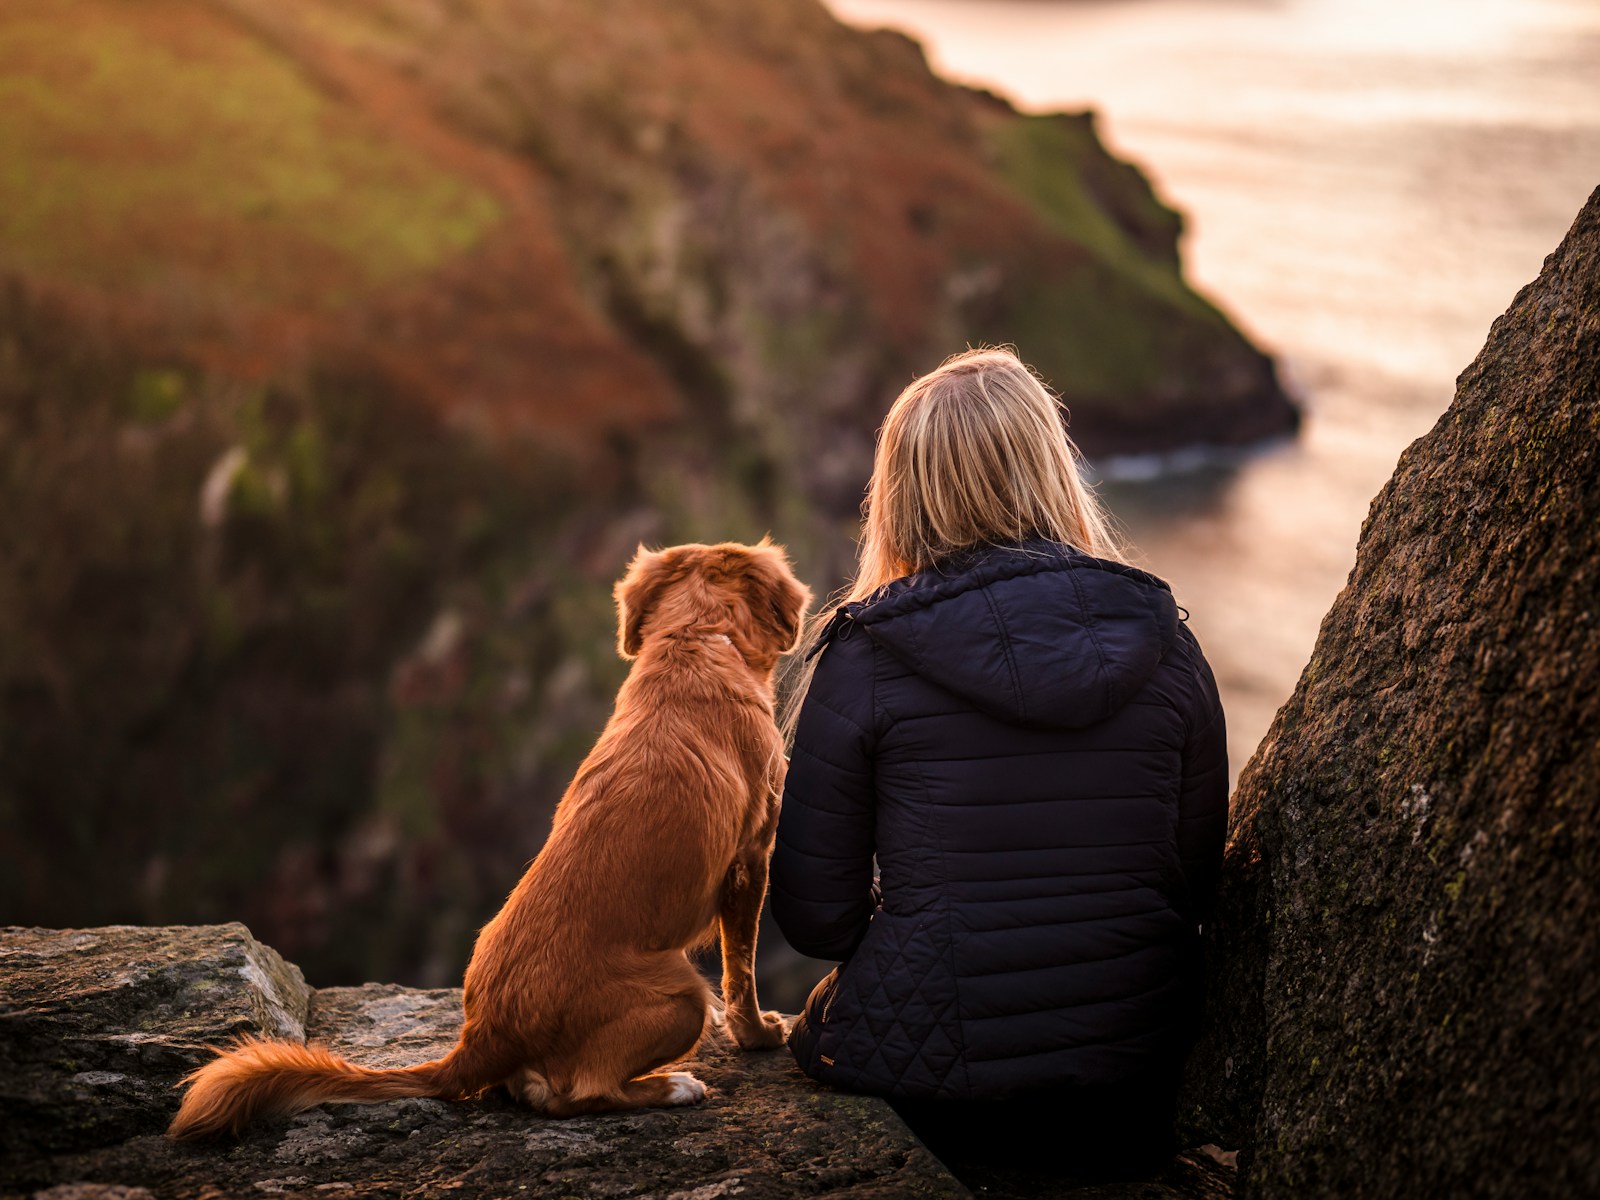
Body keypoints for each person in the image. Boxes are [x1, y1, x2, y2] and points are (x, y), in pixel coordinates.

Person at [770, 347, 1227, 1180]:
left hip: (944, 1102)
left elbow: (815, 921)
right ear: (1054, 469)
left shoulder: (866, 657)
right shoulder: (1168, 643)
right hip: (1133, 1079)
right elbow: (1192, 886)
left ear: (901, 494)